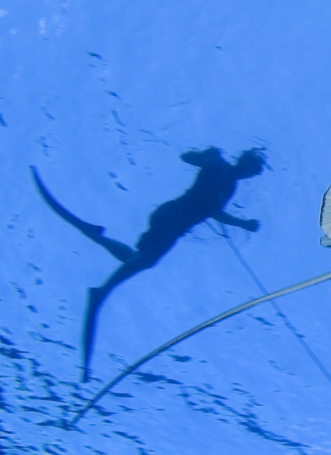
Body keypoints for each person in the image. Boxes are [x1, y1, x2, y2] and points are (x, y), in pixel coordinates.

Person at [32, 147, 266, 380]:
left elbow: (214, 212)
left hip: (177, 225)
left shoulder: (231, 185)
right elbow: (188, 159)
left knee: (139, 258)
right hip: (172, 217)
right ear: (244, 163)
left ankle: (97, 241)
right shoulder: (220, 166)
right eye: (252, 170)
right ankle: (101, 291)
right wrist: (205, 157)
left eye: (253, 174)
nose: (250, 176)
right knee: (146, 260)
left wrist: (241, 223)